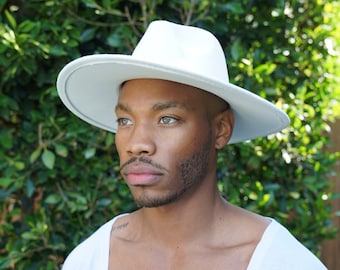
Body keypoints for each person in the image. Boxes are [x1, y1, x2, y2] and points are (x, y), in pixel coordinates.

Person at [57, 20, 327, 269]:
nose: (137, 144)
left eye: (167, 119)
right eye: (125, 121)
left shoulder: (281, 261)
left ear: (221, 130)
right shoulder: (90, 258)